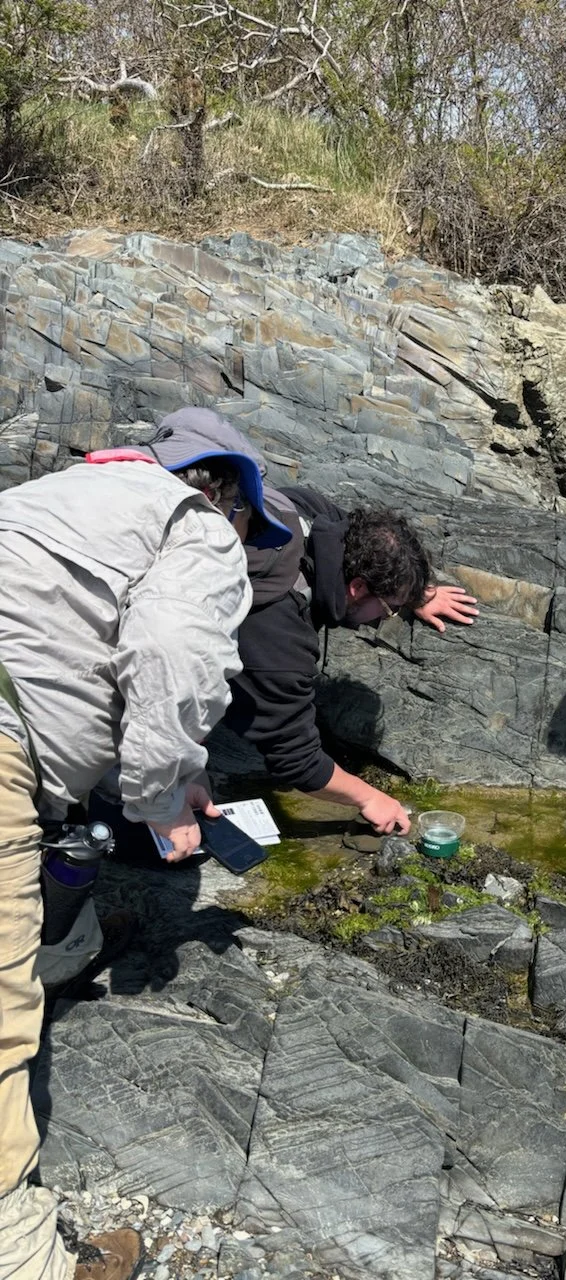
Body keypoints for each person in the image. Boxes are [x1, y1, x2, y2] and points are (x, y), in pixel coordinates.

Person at [0, 424, 290, 1280]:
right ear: (225, 497)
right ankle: (23, 1262)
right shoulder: (194, 525)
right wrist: (163, 800)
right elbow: (168, 651)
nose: (245, 546)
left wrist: (181, 771)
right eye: (249, 528)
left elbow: (69, 655)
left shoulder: (38, 501)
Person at [153, 408, 478, 838]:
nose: (383, 619)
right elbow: (295, 758)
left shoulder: (312, 514)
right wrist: (369, 797)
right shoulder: (276, 630)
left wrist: (414, 592)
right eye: (388, 609)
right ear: (358, 587)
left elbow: (363, 535)